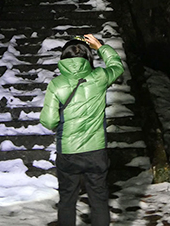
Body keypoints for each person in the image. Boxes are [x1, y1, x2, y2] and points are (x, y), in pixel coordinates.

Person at [40, 34, 124, 226]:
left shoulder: (57, 84)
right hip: (96, 151)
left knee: (67, 201)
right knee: (99, 201)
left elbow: (49, 121)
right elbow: (117, 66)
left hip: (68, 152)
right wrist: (100, 46)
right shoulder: (100, 77)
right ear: (88, 57)